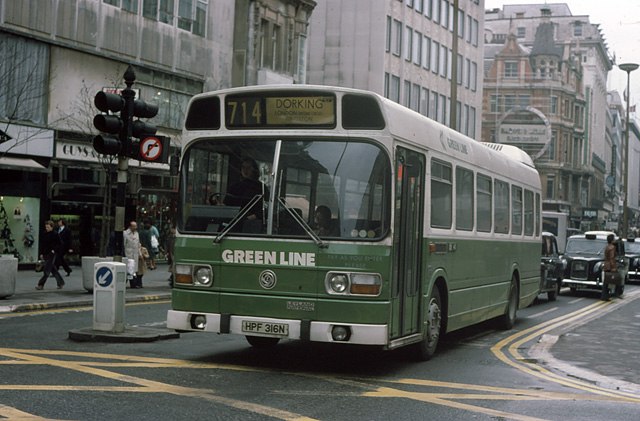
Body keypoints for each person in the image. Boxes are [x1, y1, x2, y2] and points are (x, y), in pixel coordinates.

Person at [35, 220, 65, 290]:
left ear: (52, 227)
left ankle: (41, 284)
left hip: (52, 254)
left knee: (47, 270)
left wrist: (54, 250)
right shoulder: (45, 234)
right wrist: (41, 253)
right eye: (46, 227)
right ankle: (60, 282)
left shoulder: (55, 234)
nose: (47, 229)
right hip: (45, 253)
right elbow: (42, 244)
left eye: (48, 227)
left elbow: (60, 243)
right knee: (53, 269)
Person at [123, 221, 144, 288]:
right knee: (128, 269)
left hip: (135, 255)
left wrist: (140, 254)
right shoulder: (125, 233)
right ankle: (128, 283)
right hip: (128, 254)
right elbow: (123, 244)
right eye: (134, 226)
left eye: (136, 226)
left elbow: (138, 244)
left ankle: (133, 284)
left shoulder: (136, 234)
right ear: (130, 226)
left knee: (133, 270)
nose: (135, 227)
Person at [602, 234, 619, 301]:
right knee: (614, 280)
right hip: (610, 266)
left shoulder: (607, 246)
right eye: (614, 239)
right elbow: (612, 258)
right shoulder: (612, 247)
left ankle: (604, 295)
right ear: (612, 240)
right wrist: (614, 267)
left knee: (606, 281)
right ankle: (611, 294)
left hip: (606, 265)